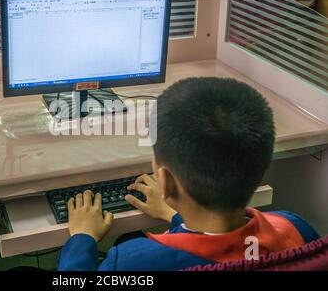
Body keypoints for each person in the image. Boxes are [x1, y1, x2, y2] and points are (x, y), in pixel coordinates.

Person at [57, 77, 320, 270]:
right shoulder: (296, 229)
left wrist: (83, 237)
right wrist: (176, 215)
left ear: (166, 183)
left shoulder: (129, 263)